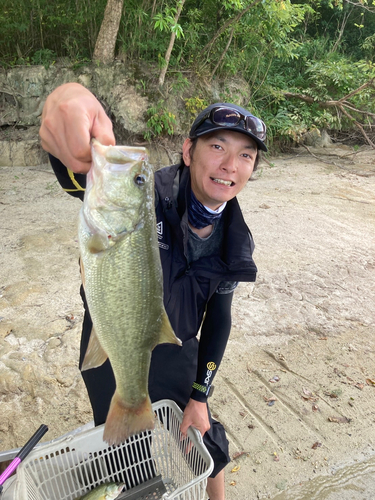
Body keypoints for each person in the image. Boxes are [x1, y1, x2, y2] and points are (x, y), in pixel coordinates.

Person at [40, 83, 267, 500]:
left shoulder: (236, 242)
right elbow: (79, 177)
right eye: (217, 146)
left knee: (207, 444)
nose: (230, 164)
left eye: (246, 155)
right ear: (188, 151)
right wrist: (68, 99)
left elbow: (219, 319)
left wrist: (200, 394)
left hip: (176, 345)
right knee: (126, 457)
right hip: (112, 343)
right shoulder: (145, 193)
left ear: (252, 168)